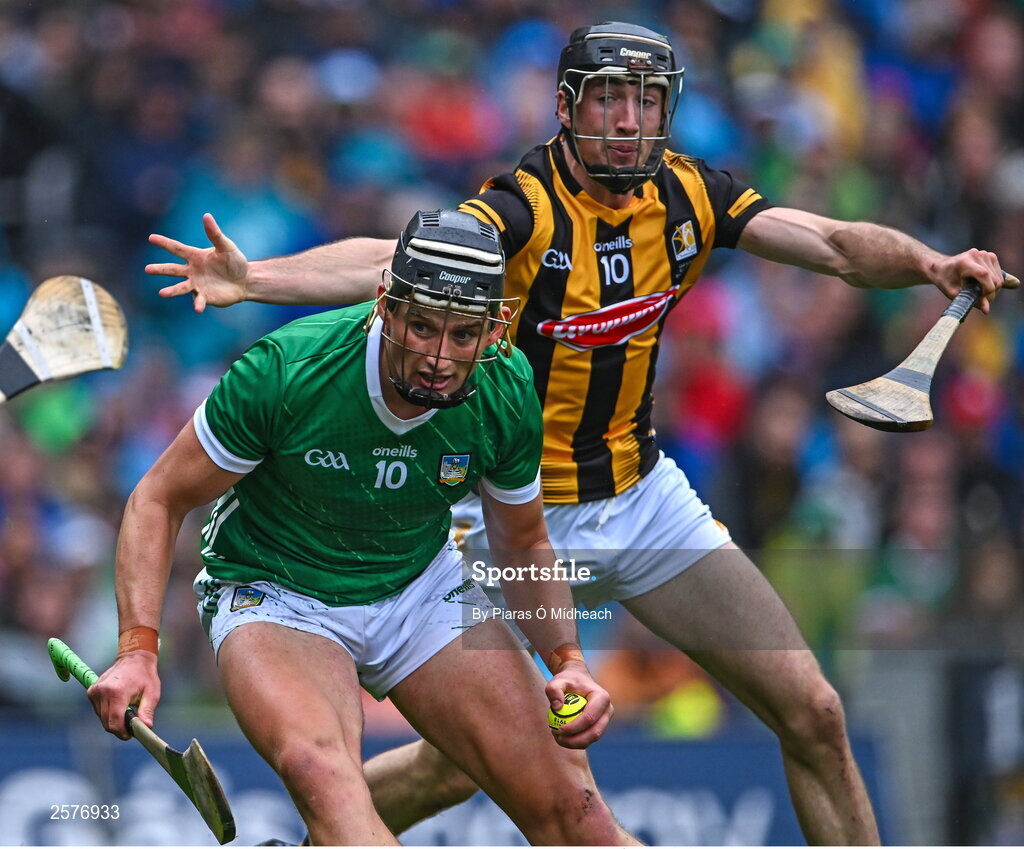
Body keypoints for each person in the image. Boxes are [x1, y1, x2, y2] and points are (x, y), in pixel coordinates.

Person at [146, 22, 1015, 845]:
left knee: (815, 711)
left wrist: (928, 262)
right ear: (566, 106)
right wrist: (257, 276)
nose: (628, 118)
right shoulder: (520, 207)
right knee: (469, 767)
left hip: (640, 496)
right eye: (607, 97)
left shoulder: (688, 194)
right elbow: (400, 258)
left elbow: (828, 241)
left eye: (645, 98)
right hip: (509, 519)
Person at [89, 209, 639, 846]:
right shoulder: (287, 371)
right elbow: (156, 500)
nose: (438, 357)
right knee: (325, 778)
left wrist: (568, 661)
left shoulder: (506, 388)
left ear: (493, 330)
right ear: (385, 304)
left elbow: (522, 540)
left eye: (463, 335)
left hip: (419, 586)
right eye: (423, 326)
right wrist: (137, 652)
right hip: (276, 594)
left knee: (578, 818)